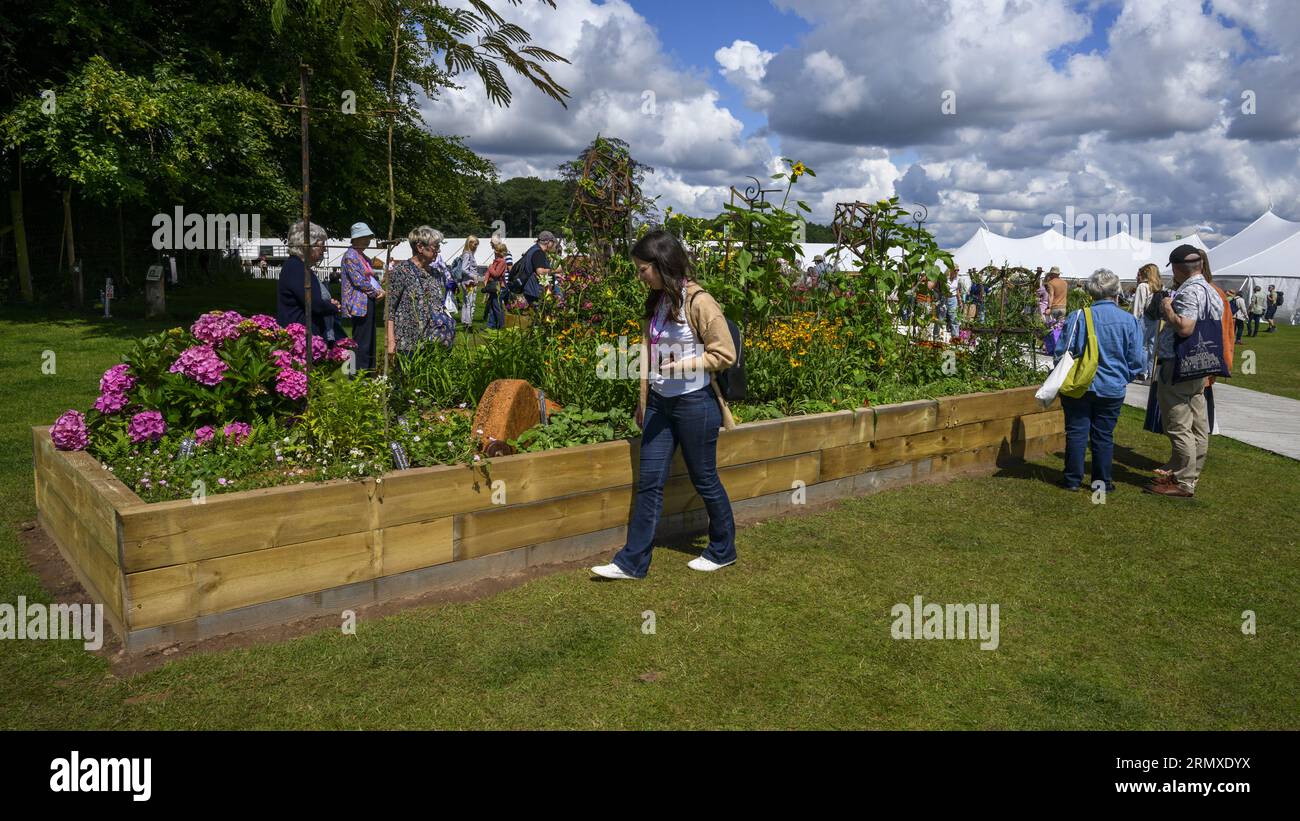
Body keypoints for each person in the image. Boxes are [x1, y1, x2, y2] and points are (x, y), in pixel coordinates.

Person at [591, 230, 738, 580]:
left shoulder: (700, 301)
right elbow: (649, 353)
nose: (640, 276)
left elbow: (725, 353)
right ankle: (632, 562)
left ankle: (723, 549)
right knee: (649, 483)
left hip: (694, 404)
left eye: (643, 269)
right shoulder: (658, 300)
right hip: (660, 403)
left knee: (704, 479)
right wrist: (643, 402)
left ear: (662, 264)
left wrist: (682, 365)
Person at [1054, 269, 1144, 493]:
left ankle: (1072, 480)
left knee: (1076, 431)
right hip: (1112, 386)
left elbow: (1061, 352)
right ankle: (1102, 482)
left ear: (1091, 292)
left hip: (1078, 385)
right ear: (1116, 291)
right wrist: (1123, 377)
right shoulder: (1128, 320)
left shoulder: (1078, 316)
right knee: (1103, 435)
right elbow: (1137, 360)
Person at [1145, 245, 1222, 499]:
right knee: (1198, 424)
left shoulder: (1189, 291)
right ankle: (1190, 472)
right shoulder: (1211, 291)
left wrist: (1168, 308)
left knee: (1178, 424)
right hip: (1201, 363)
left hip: (1179, 363)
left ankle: (1184, 481)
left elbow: (1185, 328)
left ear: (1178, 268)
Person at [386, 226, 455, 363]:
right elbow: (390, 309)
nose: (438, 250)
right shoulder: (402, 271)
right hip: (408, 342)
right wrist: (391, 340)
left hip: (434, 341)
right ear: (420, 247)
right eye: (435, 246)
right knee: (408, 382)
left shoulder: (435, 273)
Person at [276, 220, 341, 339]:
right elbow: (314, 304)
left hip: (304, 335)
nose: (324, 249)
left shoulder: (300, 267)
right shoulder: (296, 268)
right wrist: (333, 307)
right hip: (299, 338)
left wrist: (328, 303)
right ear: (307, 245)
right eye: (321, 245)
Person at [340, 222, 384, 372]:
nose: (367, 241)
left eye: (368, 237)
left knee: (369, 338)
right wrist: (376, 292)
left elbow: (370, 278)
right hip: (358, 303)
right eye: (364, 237)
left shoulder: (363, 256)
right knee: (360, 340)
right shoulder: (350, 256)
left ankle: (368, 371)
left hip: (367, 301)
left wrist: (379, 289)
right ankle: (356, 372)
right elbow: (359, 281)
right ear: (355, 238)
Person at [511, 230, 559, 307]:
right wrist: (557, 270)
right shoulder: (538, 252)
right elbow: (540, 271)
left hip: (530, 289)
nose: (553, 244)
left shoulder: (533, 249)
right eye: (552, 242)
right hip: (534, 291)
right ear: (548, 242)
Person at [1131, 263, 1161, 382]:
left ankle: (1142, 372)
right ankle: (1150, 371)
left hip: (1144, 318)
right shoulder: (1157, 286)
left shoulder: (1142, 286)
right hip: (1155, 319)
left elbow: (1138, 307)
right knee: (1152, 347)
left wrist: (1134, 321)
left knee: (1142, 346)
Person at [454, 236, 480, 329]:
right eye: (474, 244)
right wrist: (473, 276)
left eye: (477, 244)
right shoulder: (467, 254)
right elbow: (464, 269)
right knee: (470, 302)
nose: (476, 246)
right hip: (469, 283)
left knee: (466, 302)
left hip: (467, 282)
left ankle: (465, 322)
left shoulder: (467, 254)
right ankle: (468, 324)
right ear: (469, 243)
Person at [482, 239, 508, 329]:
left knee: (497, 307)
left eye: (496, 250)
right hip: (495, 286)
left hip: (499, 287)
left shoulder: (502, 262)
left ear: (500, 252)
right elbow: (490, 273)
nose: (495, 252)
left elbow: (496, 274)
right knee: (493, 306)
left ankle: (501, 325)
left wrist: (490, 267)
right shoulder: (497, 261)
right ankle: (491, 325)